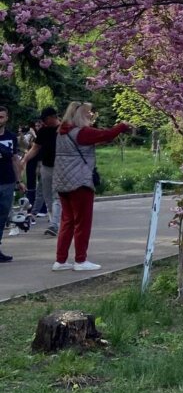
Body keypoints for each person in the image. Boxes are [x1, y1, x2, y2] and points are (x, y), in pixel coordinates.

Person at [52, 102, 130, 271]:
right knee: (82, 222)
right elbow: (107, 134)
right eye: (88, 113)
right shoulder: (82, 132)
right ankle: (80, 260)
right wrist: (122, 126)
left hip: (62, 182)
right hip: (80, 182)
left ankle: (60, 260)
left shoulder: (61, 132)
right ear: (80, 114)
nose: (91, 115)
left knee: (67, 221)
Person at [20, 107, 61, 236]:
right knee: (48, 196)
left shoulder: (63, 129)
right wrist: (25, 160)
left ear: (52, 117)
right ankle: (54, 221)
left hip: (61, 167)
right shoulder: (43, 131)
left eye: (44, 119)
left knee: (57, 196)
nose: (42, 122)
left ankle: (55, 224)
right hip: (46, 167)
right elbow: (35, 148)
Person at [0, 106, 23, 262]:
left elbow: (15, 159)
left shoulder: (11, 137)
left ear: (7, 118)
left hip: (7, 181)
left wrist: (19, 180)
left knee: (2, 217)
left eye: (1, 116)